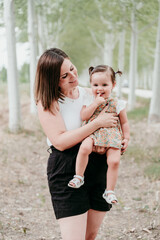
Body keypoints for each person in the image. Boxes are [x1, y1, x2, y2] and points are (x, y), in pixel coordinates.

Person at [34, 48, 119, 240]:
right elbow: (60, 141)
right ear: (52, 80)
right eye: (64, 75)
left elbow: (115, 117)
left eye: (72, 68)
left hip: (97, 165)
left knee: (90, 235)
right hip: (67, 168)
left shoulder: (91, 93)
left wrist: (121, 140)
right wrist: (96, 124)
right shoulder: (48, 102)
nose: (73, 76)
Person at [68, 65, 130, 205]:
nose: (99, 88)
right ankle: (79, 176)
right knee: (84, 148)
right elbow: (84, 116)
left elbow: (124, 123)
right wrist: (95, 104)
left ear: (113, 85)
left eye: (104, 85)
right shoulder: (89, 100)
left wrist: (126, 138)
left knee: (114, 161)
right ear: (91, 85)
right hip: (93, 133)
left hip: (112, 135)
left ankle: (109, 190)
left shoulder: (118, 103)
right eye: (95, 85)